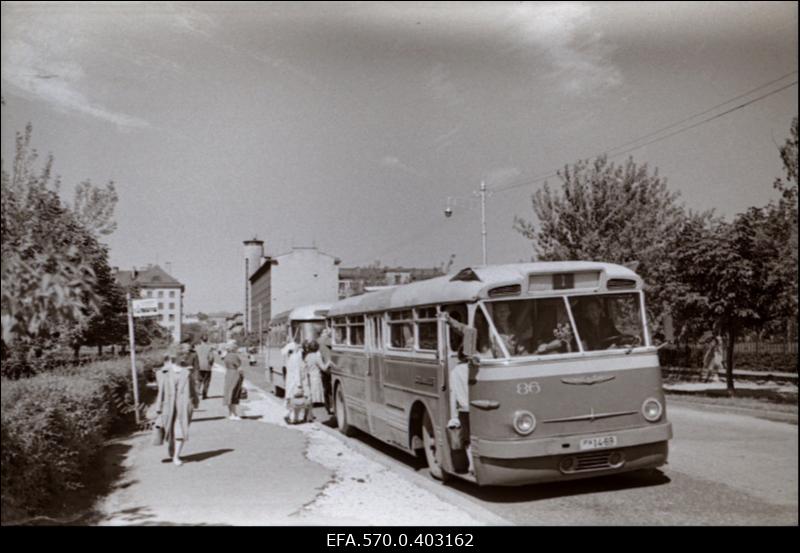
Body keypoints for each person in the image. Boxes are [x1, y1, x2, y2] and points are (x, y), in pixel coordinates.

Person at [154, 342, 199, 466]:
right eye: (182, 354)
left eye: (186, 354)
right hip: (168, 404)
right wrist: (158, 407)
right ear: (175, 355)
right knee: (169, 430)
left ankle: (176, 457)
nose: (185, 357)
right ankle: (172, 449)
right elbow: (161, 391)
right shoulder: (164, 372)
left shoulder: (188, 371)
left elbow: (193, 388)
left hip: (184, 404)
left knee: (181, 428)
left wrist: (194, 401)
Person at [222, 341, 244, 420]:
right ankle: (234, 414)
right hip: (235, 374)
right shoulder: (234, 356)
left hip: (228, 374)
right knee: (234, 393)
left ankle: (231, 413)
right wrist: (242, 376)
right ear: (234, 348)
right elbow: (239, 367)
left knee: (229, 393)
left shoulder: (226, 356)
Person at [304, 340, 329, 407]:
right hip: (316, 377)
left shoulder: (307, 356)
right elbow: (323, 368)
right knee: (316, 394)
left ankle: (309, 411)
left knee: (310, 395)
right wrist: (329, 362)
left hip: (309, 377)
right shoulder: (317, 357)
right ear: (317, 348)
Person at [318, 328, 334, 413]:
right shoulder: (325, 339)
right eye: (325, 331)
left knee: (326, 387)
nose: (327, 332)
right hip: (329, 365)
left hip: (322, 365)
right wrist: (332, 332)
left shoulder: (318, 340)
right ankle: (331, 406)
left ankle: (328, 406)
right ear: (322, 333)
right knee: (330, 387)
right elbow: (335, 342)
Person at [194, 335, 215, 400]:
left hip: (198, 366)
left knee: (198, 381)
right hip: (207, 367)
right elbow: (211, 358)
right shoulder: (209, 348)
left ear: (201, 340)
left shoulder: (196, 348)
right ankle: (204, 395)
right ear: (207, 340)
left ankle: (196, 394)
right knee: (206, 382)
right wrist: (211, 364)